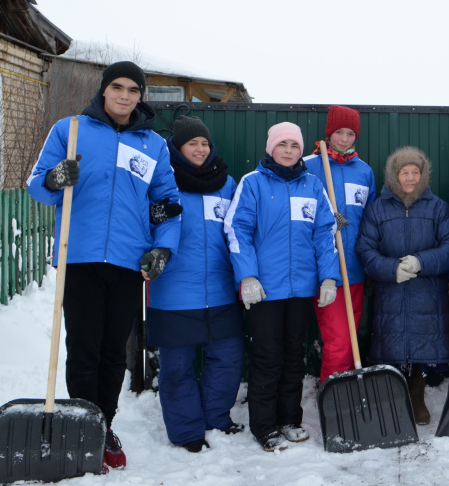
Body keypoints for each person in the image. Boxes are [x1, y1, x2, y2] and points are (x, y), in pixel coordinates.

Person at [27, 61, 180, 471]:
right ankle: (82, 423)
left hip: (129, 261)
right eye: (118, 87)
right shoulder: (71, 130)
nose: (125, 96)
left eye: (133, 90)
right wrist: (54, 179)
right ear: (104, 89)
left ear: (141, 96)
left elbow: (166, 203)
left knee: (114, 351)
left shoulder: (153, 145)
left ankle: (103, 424)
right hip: (80, 256)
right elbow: (36, 186)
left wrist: (163, 248)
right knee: (83, 348)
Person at [225, 122, 340, 451]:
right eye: (282, 144)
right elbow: (237, 229)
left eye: (294, 145)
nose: (288, 151)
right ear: (270, 147)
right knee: (267, 356)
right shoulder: (253, 183)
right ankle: (263, 425)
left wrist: (328, 277)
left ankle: (289, 419)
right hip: (264, 289)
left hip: (301, 288)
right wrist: (247, 275)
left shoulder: (313, 185)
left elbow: (325, 233)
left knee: (293, 357)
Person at [147, 116, 244, 452]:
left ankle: (216, 417)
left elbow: (242, 228)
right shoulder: (163, 181)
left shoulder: (226, 184)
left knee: (228, 359)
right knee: (176, 367)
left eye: (204, 143)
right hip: (173, 292)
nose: (200, 149)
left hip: (220, 289)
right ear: (177, 148)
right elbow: (142, 222)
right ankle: (187, 430)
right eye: (192, 143)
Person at [356, 146, 449, 424]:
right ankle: (393, 400)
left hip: (428, 290)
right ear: (394, 175)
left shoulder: (438, 207)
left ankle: (416, 396)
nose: (410, 178)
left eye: (415, 172)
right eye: (404, 172)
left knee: (422, 344)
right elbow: (365, 249)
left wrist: (420, 261)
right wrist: (391, 268)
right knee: (392, 341)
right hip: (391, 289)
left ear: (423, 175)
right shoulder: (377, 209)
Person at [303, 105, 376, 383]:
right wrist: (327, 219)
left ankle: (343, 391)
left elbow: (369, 218)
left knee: (350, 337)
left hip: (354, 268)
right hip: (325, 270)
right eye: (339, 132)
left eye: (350, 134)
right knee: (338, 341)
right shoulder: (309, 167)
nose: (344, 139)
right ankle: (332, 395)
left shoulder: (364, 172)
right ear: (329, 133)